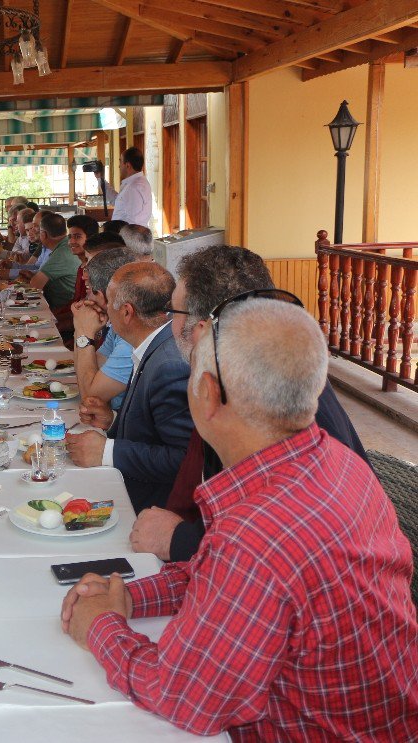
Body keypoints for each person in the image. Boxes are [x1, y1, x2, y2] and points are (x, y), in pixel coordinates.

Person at [60, 299, 418, 741]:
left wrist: (101, 625)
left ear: (206, 393)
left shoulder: (256, 532)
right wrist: (129, 598)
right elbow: (215, 574)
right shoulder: (337, 461)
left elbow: (184, 697)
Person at [131, 246, 369, 563]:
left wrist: (181, 541)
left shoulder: (265, 398)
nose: (170, 327)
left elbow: (292, 538)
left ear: (201, 327)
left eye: (174, 313)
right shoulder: (245, 372)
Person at [66, 262, 193, 512]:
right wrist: (113, 421)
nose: (103, 310)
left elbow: (185, 460)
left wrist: (108, 451)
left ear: (126, 312)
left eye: (109, 302)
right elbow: (152, 431)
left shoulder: (169, 364)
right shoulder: (154, 342)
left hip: (151, 508)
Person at [69, 246, 137, 412]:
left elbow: (90, 399)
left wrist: (84, 332)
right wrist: (81, 328)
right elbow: (90, 369)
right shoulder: (118, 323)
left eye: (88, 290)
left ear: (103, 294)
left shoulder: (132, 336)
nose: (87, 298)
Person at [28, 212, 77, 310]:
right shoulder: (65, 245)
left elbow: (34, 285)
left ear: (44, 234)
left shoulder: (62, 252)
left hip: (63, 310)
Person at [110, 147, 152, 226]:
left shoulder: (134, 187)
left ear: (128, 165)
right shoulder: (135, 183)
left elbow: (132, 221)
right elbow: (117, 201)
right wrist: (100, 179)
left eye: (120, 162)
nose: (119, 166)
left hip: (128, 236)